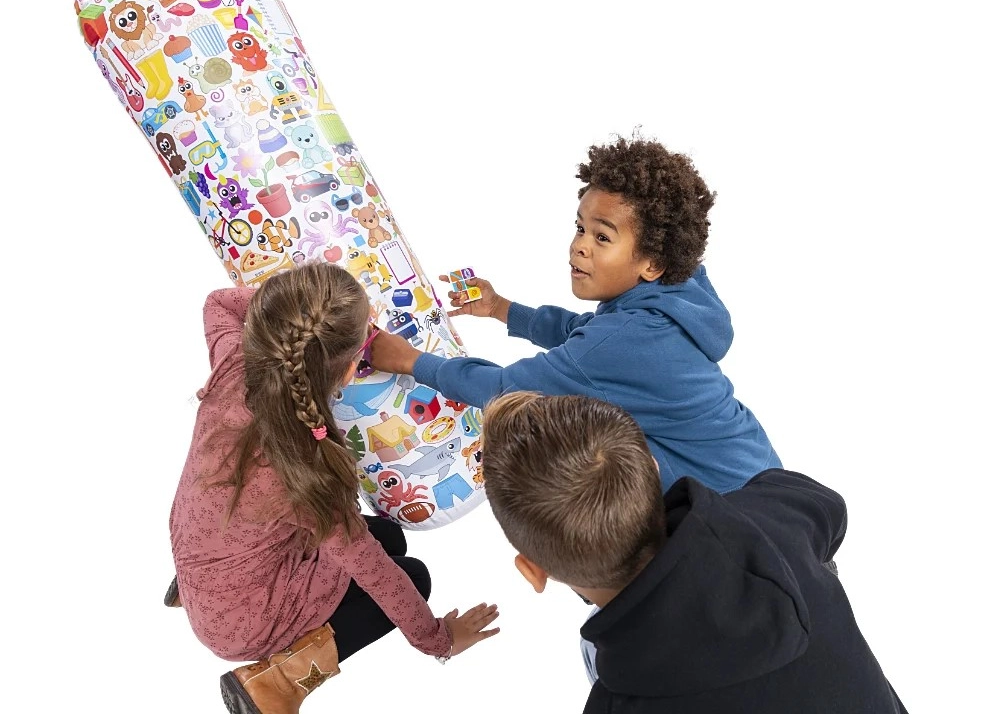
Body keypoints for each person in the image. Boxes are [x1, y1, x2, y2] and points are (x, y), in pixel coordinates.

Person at [168, 262, 499, 714]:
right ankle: (276, 682)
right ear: (347, 372)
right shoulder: (306, 470)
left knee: (389, 535)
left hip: (207, 546)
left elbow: (218, 303)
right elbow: (377, 575)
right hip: (240, 621)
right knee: (412, 576)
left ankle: (213, 586)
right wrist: (438, 639)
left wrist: (290, 320)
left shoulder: (235, 361)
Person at [368, 134, 780, 495]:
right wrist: (500, 308)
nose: (580, 246)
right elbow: (586, 333)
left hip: (738, 512)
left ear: (652, 263)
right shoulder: (671, 298)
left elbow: (506, 387)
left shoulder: (625, 339)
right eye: (580, 228)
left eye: (603, 237)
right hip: (763, 474)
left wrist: (411, 361)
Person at [480, 392, 907, 713]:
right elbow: (830, 509)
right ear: (654, 468)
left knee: (591, 646)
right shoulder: (772, 515)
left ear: (533, 571)